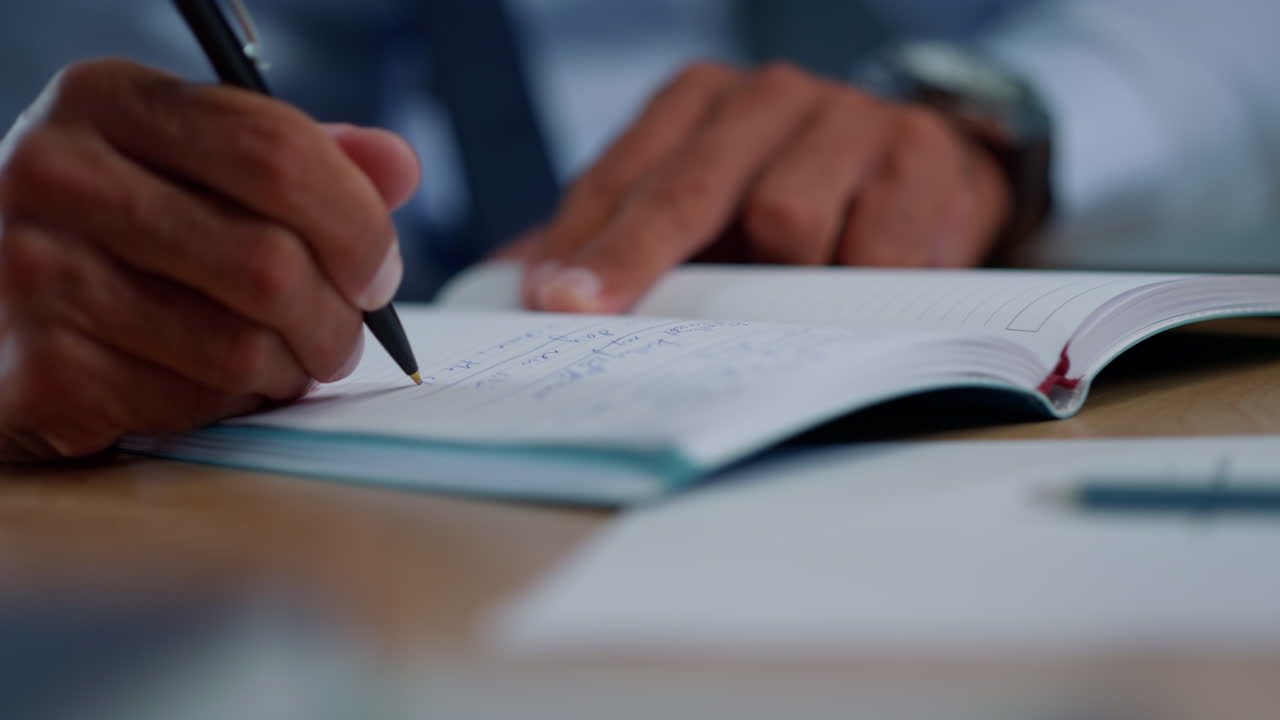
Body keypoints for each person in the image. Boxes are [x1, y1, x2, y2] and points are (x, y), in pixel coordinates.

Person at [1, 0, 1278, 462]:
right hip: (360, 486)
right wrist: (80, 263)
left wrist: (1012, 124)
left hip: (1017, 351)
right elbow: (102, 125)